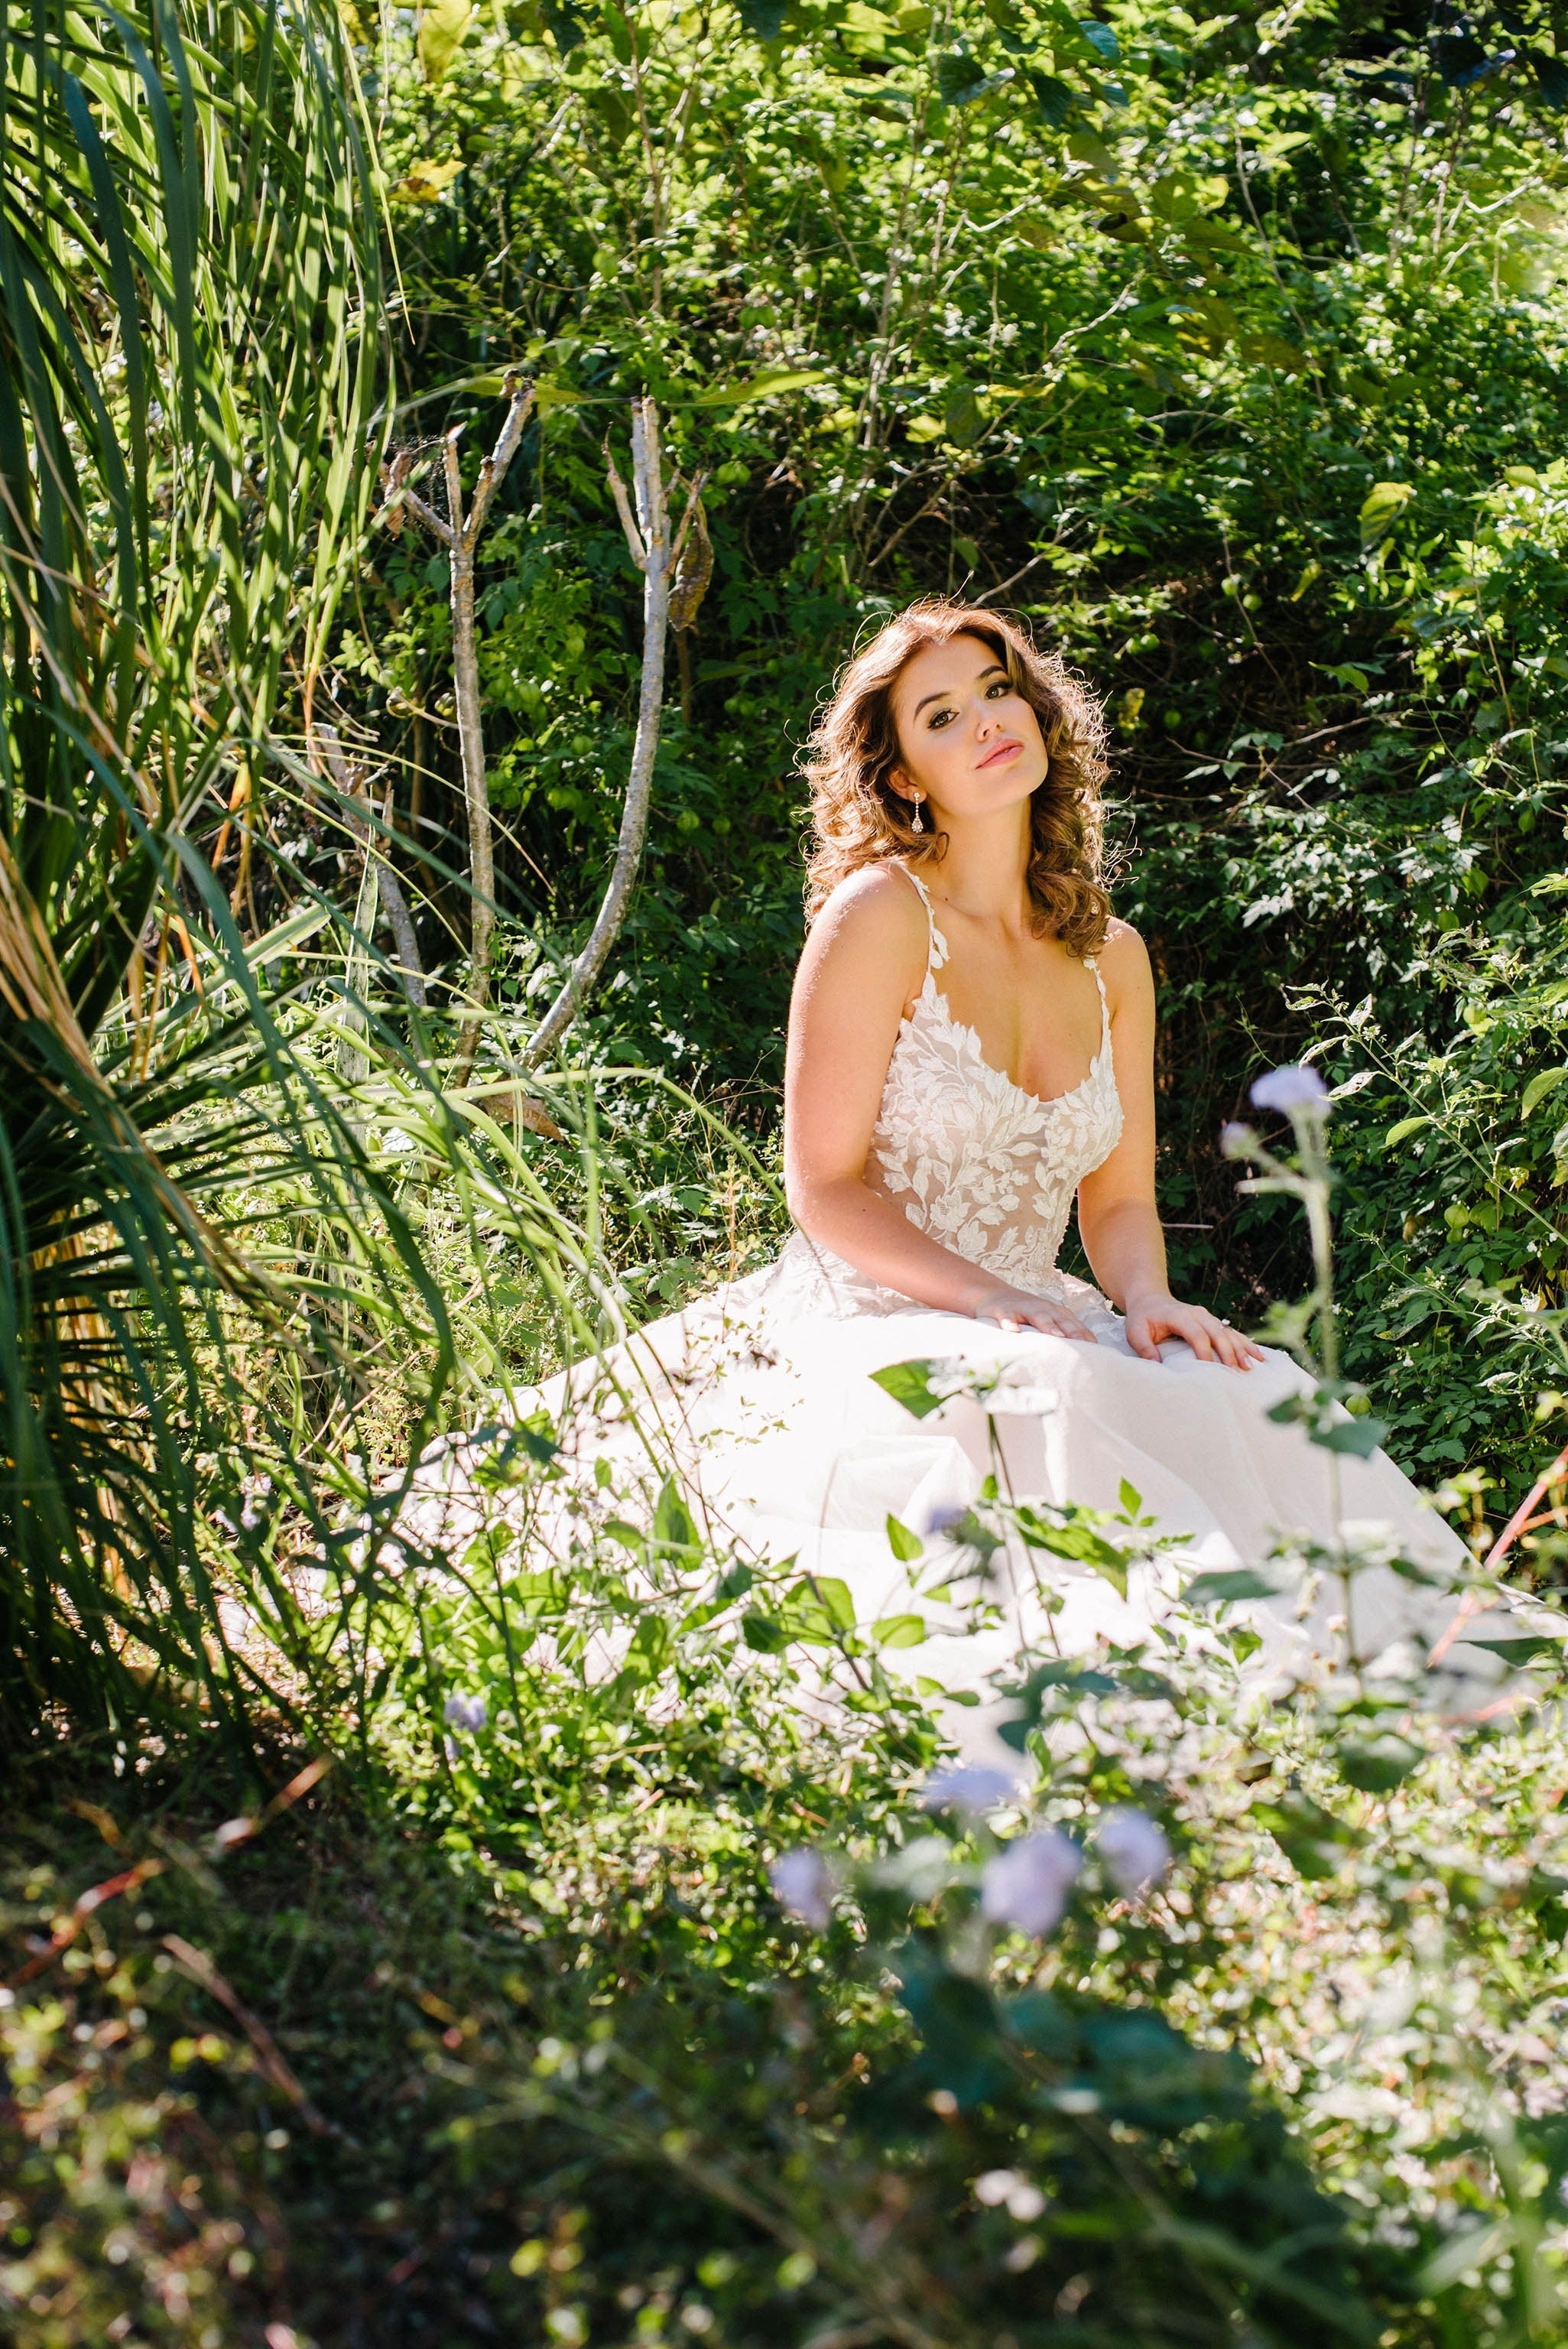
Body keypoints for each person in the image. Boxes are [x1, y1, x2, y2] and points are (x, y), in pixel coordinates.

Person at [414, 600, 1508, 1752]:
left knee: (1252, 1393)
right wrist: (994, 1304)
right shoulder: (878, 917)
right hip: (873, 1307)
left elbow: (1120, 1200)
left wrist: (1147, 1300)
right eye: (943, 714)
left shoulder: (1112, 956)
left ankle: (1345, 1693)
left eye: (996, 689)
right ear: (904, 781)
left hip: (1043, 1307)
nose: (988, 720)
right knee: (1031, 1411)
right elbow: (824, 1189)